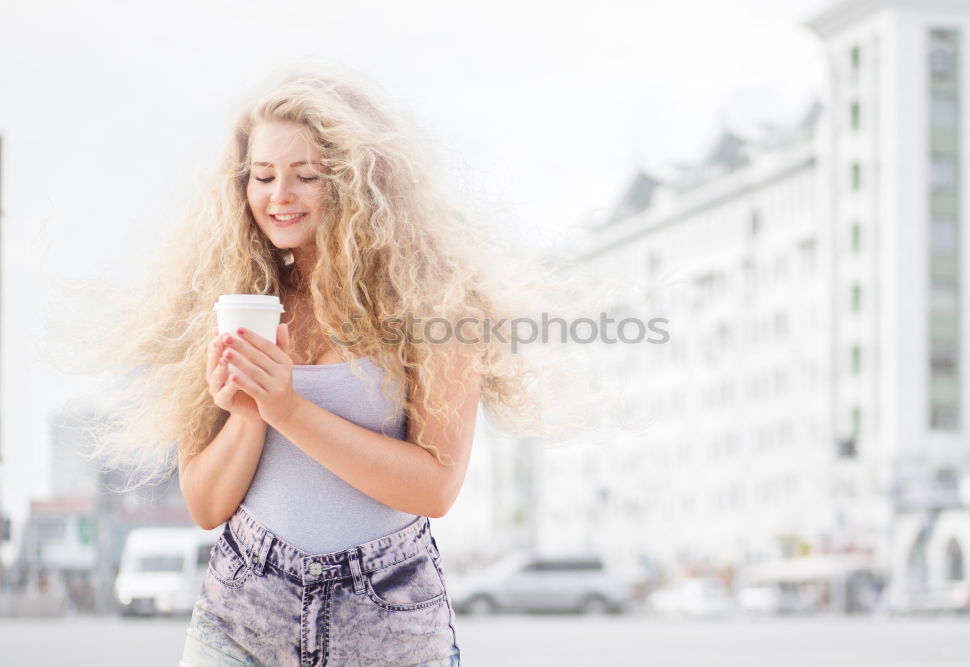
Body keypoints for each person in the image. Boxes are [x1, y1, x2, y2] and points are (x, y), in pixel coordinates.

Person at [50, 66, 611, 666]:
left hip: (387, 619)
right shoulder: (227, 298)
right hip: (243, 609)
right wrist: (248, 414)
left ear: (357, 181)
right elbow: (207, 507)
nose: (278, 196)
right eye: (262, 177)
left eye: (306, 176)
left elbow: (435, 487)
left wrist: (288, 408)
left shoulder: (436, 301)